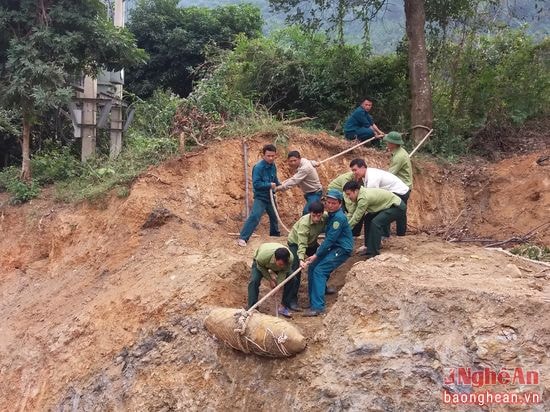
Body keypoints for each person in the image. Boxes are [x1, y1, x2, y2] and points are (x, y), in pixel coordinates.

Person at [303, 189, 353, 317]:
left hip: (341, 249)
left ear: (340, 204)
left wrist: (316, 254)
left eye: (333, 203)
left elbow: (329, 240)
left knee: (320, 270)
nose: (329, 205)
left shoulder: (338, 218)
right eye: (328, 202)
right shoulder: (331, 215)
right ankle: (317, 295)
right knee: (313, 267)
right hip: (334, 247)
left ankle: (318, 307)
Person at [343, 181, 406, 259]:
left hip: (396, 207)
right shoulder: (359, 195)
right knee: (368, 218)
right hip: (387, 206)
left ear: (355, 191)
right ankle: (368, 247)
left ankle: (374, 252)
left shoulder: (363, 198)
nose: (348, 197)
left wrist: (345, 230)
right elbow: (352, 212)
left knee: (376, 223)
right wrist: (344, 225)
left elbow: (356, 218)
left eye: (349, 194)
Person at [284, 201, 327, 311]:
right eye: (314, 215)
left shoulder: (325, 216)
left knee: (323, 260)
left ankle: (323, 288)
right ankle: (290, 300)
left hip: (311, 243)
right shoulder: (304, 224)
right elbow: (301, 244)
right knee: (295, 270)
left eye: (319, 215)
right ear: (310, 213)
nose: (317, 218)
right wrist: (300, 259)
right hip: (296, 244)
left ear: (322, 213)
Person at [349, 158, 410, 235]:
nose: (354, 173)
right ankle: (397, 234)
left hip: (399, 191)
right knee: (389, 210)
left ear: (363, 167)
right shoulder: (367, 175)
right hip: (397, 190)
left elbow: (373, 199)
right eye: (352, 171)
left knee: (383, 210)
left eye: (355, 170)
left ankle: (390, 234)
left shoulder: (372, 177)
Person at [238, 144, 281, 247]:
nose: (271, 158)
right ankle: (243, 238)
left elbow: (274, 179)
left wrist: (280, 185)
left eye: (272, 156)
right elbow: (256, 184)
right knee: (255, 216)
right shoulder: (258, 167)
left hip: (271, 197)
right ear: (263, 155)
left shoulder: (273, 165)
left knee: (274, 216)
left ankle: (274, 236)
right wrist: (269, 185)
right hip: (261, 197)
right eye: (268, 156)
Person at [247, 243, 294, 318]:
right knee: (254, 280)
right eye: (280, 264)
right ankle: (252, 307)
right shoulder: (262, 257)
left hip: (275, 263)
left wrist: (278, 286)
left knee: (293, 279)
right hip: (261, 264)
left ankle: (284, 306)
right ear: (275, 259)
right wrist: (270, 280)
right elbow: (261, 267)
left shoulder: (290, 259)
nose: (282, 266)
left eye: (283, 264)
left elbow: (284, 271)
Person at [275, 151, 323, 215]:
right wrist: (313, 163)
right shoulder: (303, 161)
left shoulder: (305, 168)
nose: (293, 163)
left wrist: (278, 188)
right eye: (291, 161)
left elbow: (294, 181)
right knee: (310, 212)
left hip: (315, 193)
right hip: (308, 193)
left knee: (307, 212)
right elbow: (309, 162)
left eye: (295, 160)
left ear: (299, 159)